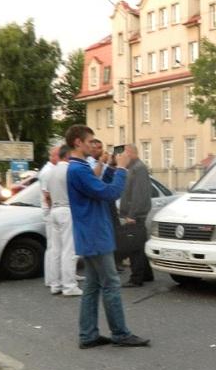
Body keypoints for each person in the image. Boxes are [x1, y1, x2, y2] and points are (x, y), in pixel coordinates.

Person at [65, 124, 149, 349]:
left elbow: (98, 187)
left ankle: (88, 335)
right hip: (95, 235)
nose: (93, 145)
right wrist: (121, 169)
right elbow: (109, 193)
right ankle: (120, 333)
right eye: (89, 141)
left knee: (92, 286)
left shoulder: (79, 168)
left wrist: (110, 168)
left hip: (92, 234)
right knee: (111, 283)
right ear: (78, 143)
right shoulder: (77, 169)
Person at [43, 144, 81, 296]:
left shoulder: (51, 172)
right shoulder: (69, 170)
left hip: (55, 210)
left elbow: (47, 195)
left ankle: (55, 284)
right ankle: (69, 285)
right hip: (67, 210)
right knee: (69, 250)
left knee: (56, 249)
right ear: (68, 155)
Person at [117, 144, 154, 287]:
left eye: (124, 154)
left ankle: (136, 278)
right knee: (139, 244)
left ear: (131, 153)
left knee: (134, 247)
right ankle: (146, 274)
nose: (122, 157)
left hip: (135, 214)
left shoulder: (138, 169)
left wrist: (131, 214)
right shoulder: (133, 168)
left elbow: (139, 194)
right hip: (134, 213)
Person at [38, 145, 61, 294]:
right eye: (58, 155)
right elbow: (47, 195)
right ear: (51, 156)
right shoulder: (48, 171)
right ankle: (54, 280)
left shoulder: (51, 169)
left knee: (54, 246)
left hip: (51, 210)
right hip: (51, 211)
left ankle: (52, 278)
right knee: (54, 247)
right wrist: (54, 210)